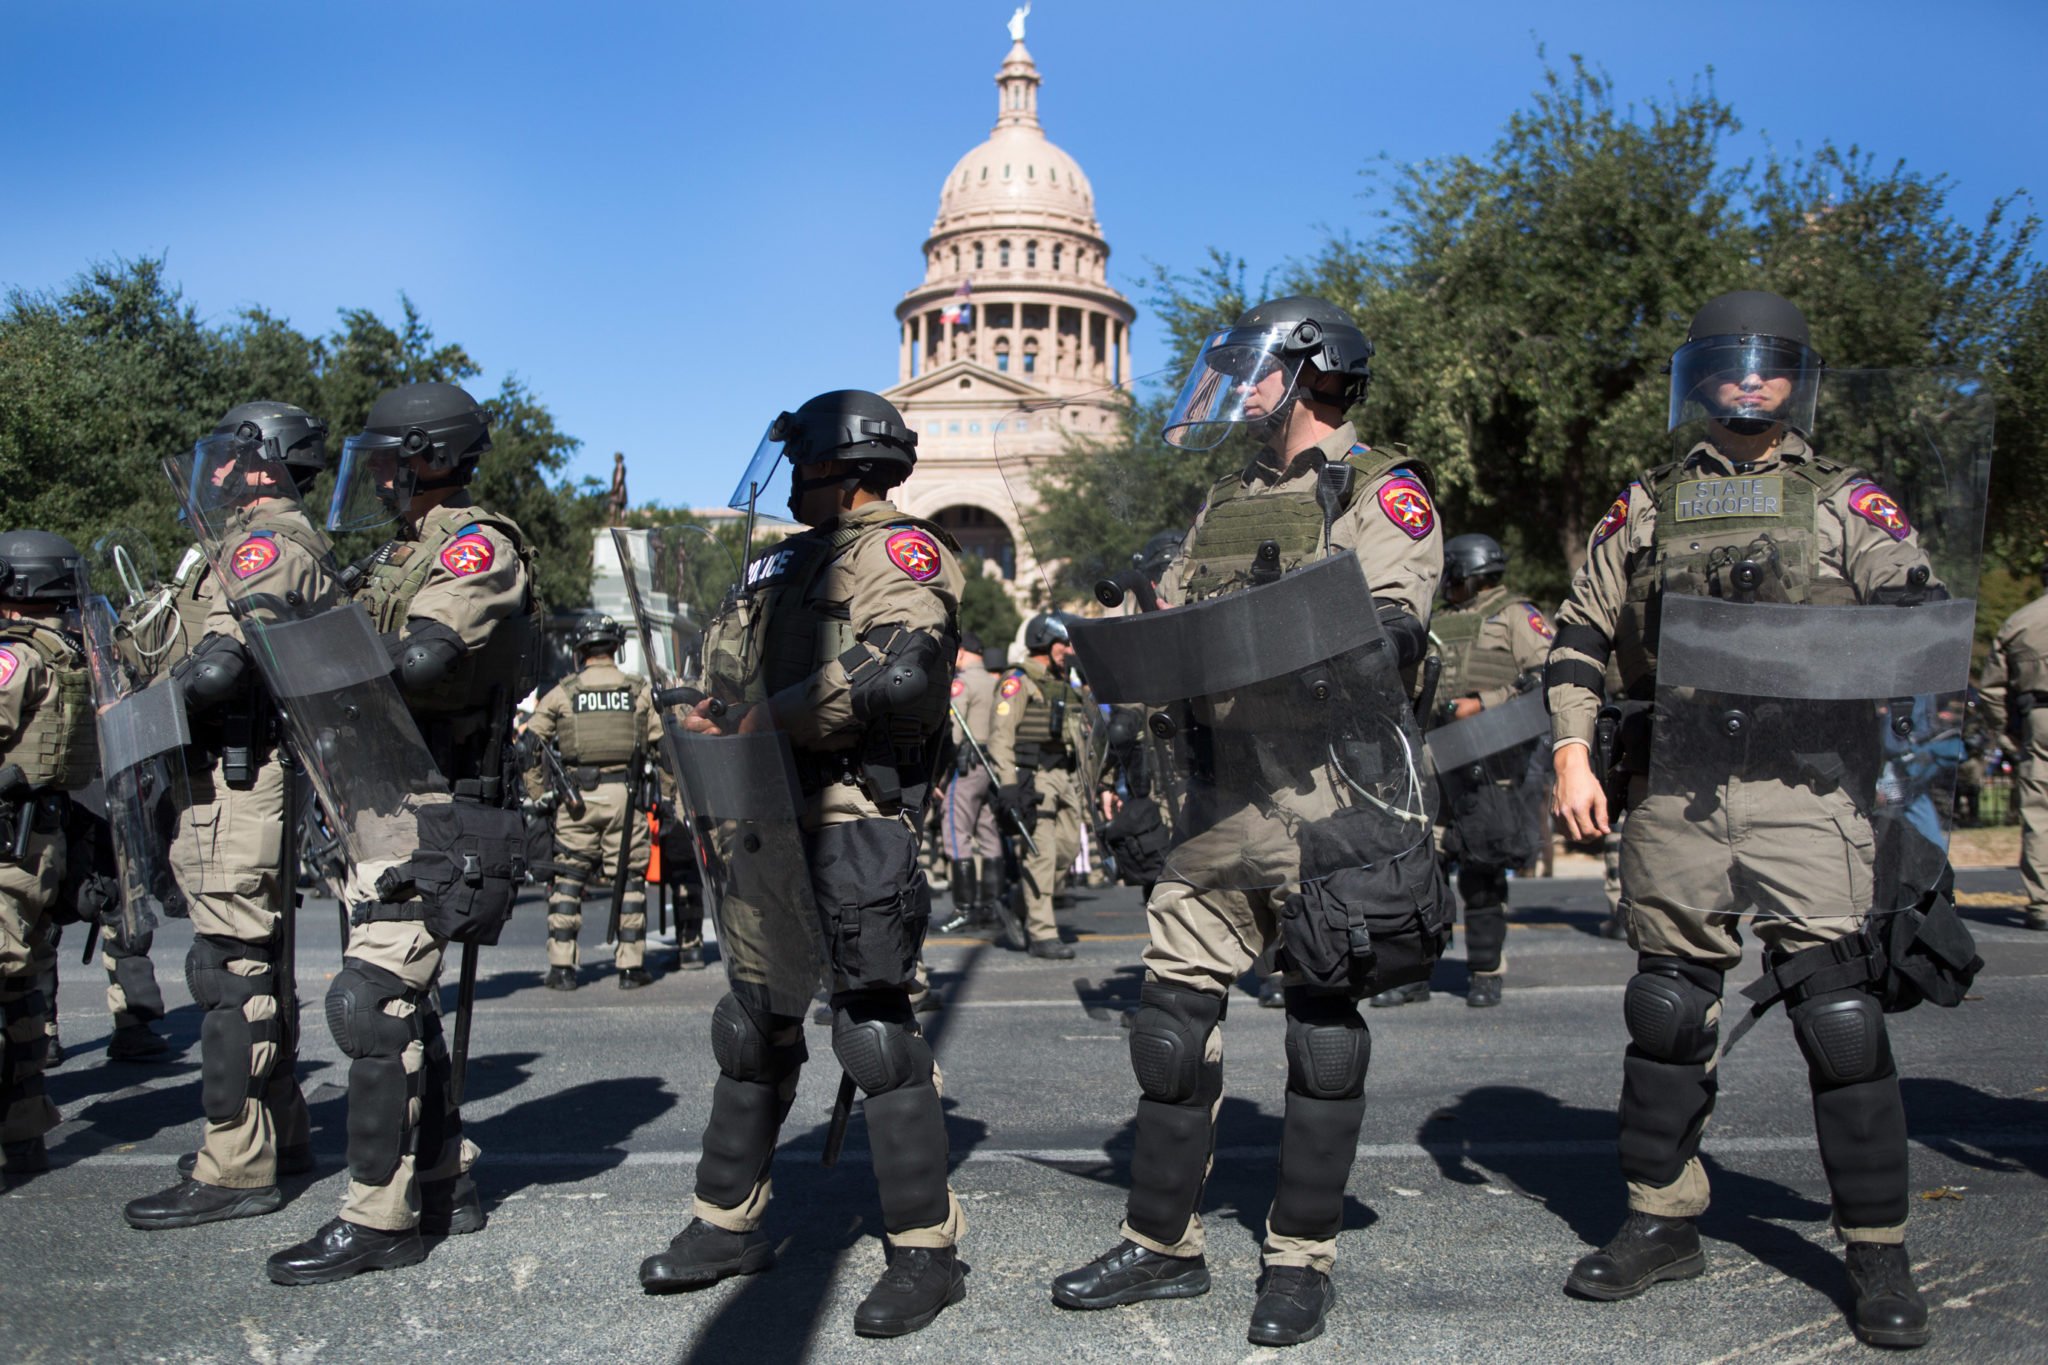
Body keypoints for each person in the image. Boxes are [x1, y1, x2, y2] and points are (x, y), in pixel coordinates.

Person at [1546, 290, 1973, 1349]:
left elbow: (1909, 607)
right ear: (1700, 378)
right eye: (1732, 366)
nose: (1749, 382)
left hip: (1804, 787)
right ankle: (1660, 1219)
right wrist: (1565, 748)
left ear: (1795, 380)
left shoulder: (1842, 498)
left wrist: (1906, 636)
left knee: (1838, 1016)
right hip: (1676, 788)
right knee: (1666, 1010)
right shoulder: (1642, 503)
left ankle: (1874, 1248)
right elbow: (1578, 633)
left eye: (1770, 366)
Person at [1051, 295, 1444, 1347]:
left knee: (1320, 1038)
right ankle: (1162, 1244)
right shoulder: (1224, 501)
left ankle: (1300, 1262)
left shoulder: (1382, 492)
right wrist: (1114, 625)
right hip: (1214, 800)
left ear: (1306, 376)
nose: (1237, 392)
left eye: (1253, 372)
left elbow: (1395, 628)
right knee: (1169, 1032)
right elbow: (1171, 622)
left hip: (1327, 803)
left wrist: (1346, 634)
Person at [637, 389, 969, 1338]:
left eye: (803, 458)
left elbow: (895, 660)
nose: (787, 474)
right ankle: (724, 1221)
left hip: (851, 810)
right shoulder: (776, 561)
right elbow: (723, 670)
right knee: (752, 1019)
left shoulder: (901, 550)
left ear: (845, 463)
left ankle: (925, 1249)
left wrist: (765, 716)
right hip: (760, 810)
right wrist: (702, 711)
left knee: (873, 1032)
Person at [266, 380, 538, 1283]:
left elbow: (424, 658)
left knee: (368, 1001)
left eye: (387, 457)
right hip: (385, 801)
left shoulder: (475, 548)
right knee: (404, 1005)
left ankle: (378, 1218)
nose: (375, 476)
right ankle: (443, 1177)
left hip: (442, 808)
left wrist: (324, 659)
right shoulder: (397, 552)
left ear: (427, 455)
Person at [122, 402, 330, 1230]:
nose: (211, 473)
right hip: (229, 773)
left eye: (227, 458)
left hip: (239, 772)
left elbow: (219, 666)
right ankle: (282, 1136)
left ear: (260, 462)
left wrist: (141, 720)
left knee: (229, 971)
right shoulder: (257, 538)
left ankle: (236, 1163)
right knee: (253, 965)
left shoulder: (264, 543)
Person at [1378, 532, 1551, 1009]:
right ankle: (1415, 974)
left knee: (1483, 869)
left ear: (1463, 573)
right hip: (1433, 760)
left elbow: (1547, 681)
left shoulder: (1516, 615)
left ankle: (1485, 971)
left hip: (1489, 760)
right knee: (1422, 870)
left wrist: (1483, 704)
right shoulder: (1435, 622)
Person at [0, 531, 98, 1179]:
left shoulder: (15, 657)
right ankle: (24, 1126)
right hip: (44, 839)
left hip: (8, 840)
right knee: (25, 984)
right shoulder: (73, 654)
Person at [523, 612, 664, 989]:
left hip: (576, 799)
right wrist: (668, 797)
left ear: (580, 650)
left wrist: (538, 794)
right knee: (630, 879)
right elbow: (663, 746)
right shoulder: (638, 690)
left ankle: (562, 968)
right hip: (625, 796)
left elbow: (529, 746)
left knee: (568, 879)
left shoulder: (563, 692)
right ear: (617, 647)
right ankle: (631, 968)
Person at [988, 613, 1084, 959]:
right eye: (1064, 643)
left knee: (1067, 849)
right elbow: (1001, 736)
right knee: (1041, 855)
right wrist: (1008, 785)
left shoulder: (1063, 681)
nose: (1068, 650)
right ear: (1046, 642)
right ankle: (1043, 934)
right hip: (1033, 776)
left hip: (1064, 776)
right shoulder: (1018, 680)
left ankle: (1015, 904)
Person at [1977, 578, 2048, 929]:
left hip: (2040, 718)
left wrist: (2008, 732)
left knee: (2040, 813)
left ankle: (2043, 905)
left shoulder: (2021, 621)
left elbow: (1991, 689)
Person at [939, 630, 1003, 936]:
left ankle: (964, 910)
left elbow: (953, 731)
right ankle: (990, 906)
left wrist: (939, 770)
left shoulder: (961, 683)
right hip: (992, 764)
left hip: (966, 766)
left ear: (961, 652)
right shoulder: (995, 682)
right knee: (988, 833)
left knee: (955, 832)